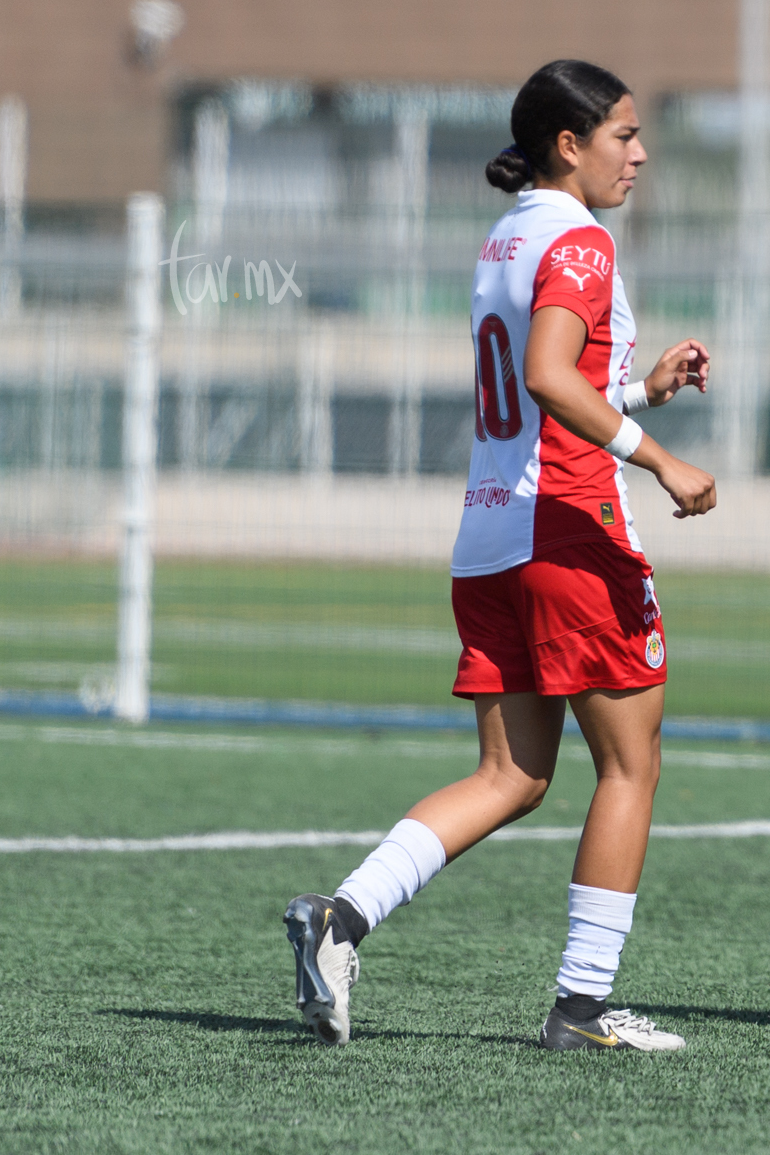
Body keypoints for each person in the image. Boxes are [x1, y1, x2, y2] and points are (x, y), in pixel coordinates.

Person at [284, 59, 716, 1052]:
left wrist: (640, 390)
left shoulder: (506, 234)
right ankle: (581, 1010)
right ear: (569, 145)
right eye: (624, 135)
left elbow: (541, 399)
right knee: (630, 767)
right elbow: (548, 378)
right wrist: (661, 460)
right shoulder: (579, 239)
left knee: (513, 775)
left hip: (489, 537)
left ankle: (338, 921)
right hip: (569, 533)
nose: (639, 154)